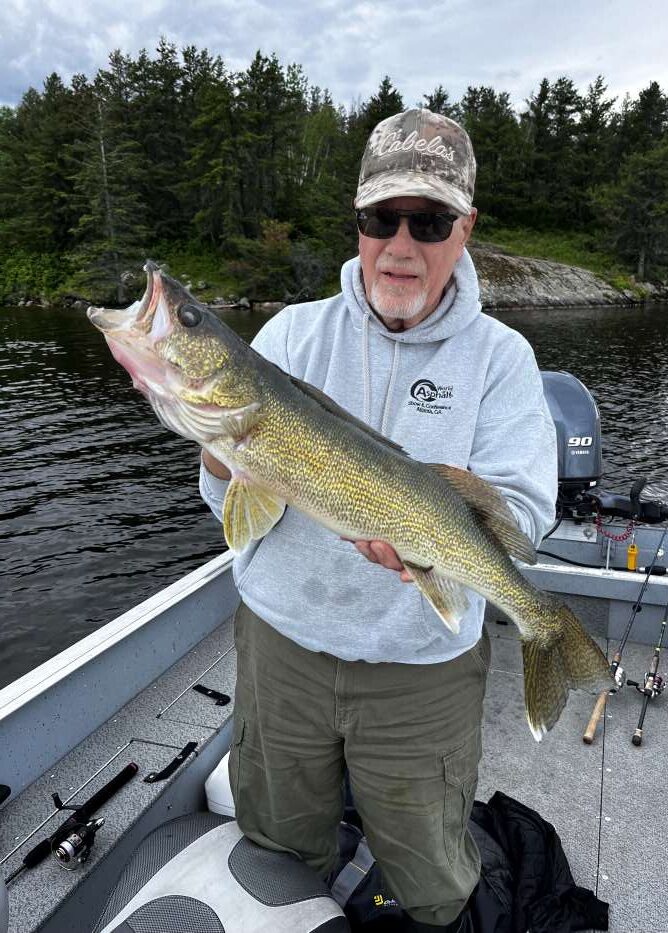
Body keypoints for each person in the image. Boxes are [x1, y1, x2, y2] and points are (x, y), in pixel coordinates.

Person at [199, 108, 558, 932]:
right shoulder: (289, 335)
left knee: (433, 875)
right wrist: (222, 444)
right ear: (357, 224)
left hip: (421, 670)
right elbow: (225, 504)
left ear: (465, 229)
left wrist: (439, 524)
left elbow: (527, 508)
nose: (400, 246)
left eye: (427, 221)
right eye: (379, 219)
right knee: (281, 851)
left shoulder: (502, 359)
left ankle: (547, 634)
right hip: (281, 648)